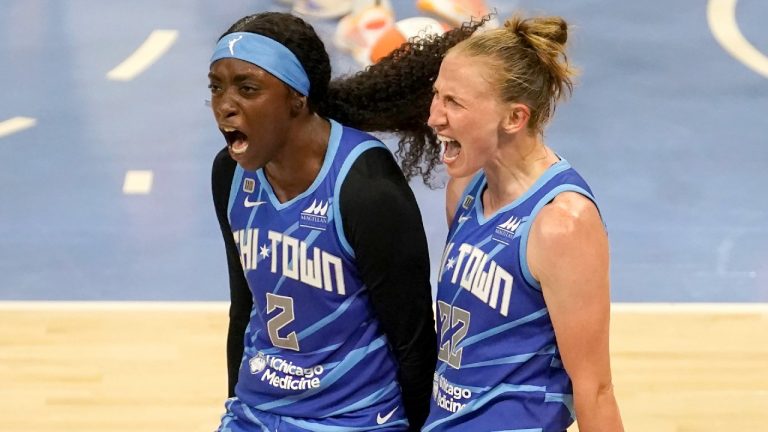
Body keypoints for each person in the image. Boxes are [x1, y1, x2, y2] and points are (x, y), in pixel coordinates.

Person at [208, 11, 485, 432]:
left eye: (247, 89)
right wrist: (235, 403)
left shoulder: (365, 188)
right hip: (257, 410)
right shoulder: (230, 175)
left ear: (296, 98)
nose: (225, 106)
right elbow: (244, 307)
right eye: (216, 88)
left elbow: (411, 339)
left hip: (355, 418)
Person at [418, 14, 625, 432]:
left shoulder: (561, 223)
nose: (434, 118)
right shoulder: (466, 189)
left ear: (514, 118)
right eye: (437, 96)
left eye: (454, 103)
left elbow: (595, 388)